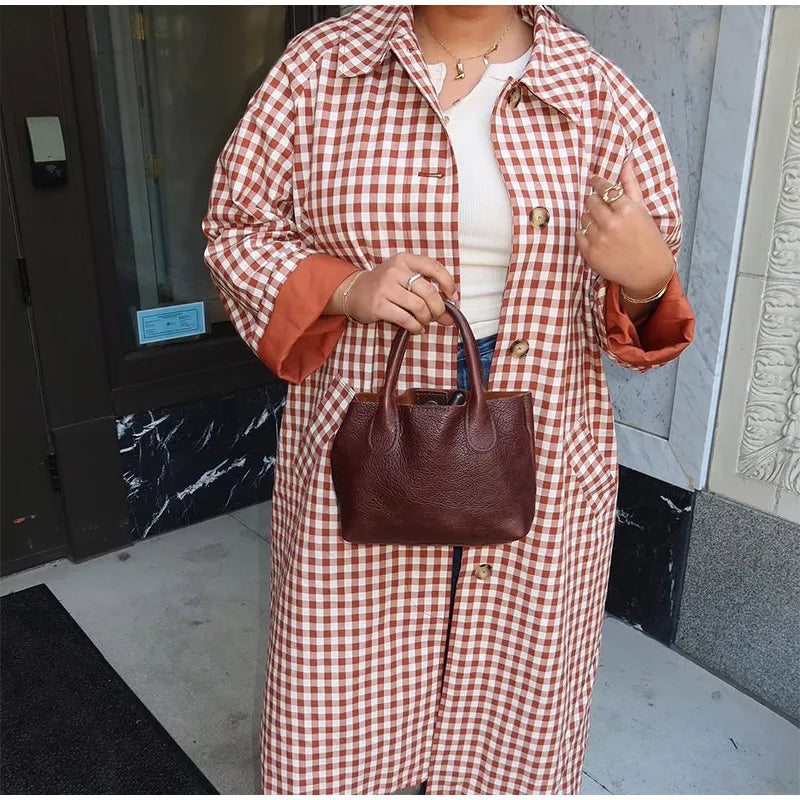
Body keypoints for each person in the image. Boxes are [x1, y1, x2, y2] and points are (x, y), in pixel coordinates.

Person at [202, 5, 695, 795]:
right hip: (371, 415)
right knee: (348, 656)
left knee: (512, 663)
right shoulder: (320, 67)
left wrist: (646, 276)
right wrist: (346, 287)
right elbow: (234, 230)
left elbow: (644, 311)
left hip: (540, 421)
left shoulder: (598, 91)